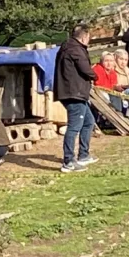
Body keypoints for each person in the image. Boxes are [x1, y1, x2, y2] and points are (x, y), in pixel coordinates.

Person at [54, 24, 98, 173]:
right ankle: (68, 161)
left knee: (89, 121)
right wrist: (95, 76)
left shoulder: (66, 47)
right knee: (74, 127)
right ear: (84, 36)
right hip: (74, 93)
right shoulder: (75, 50)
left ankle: (83, 155)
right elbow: (85, 68)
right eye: (89, 37)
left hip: (75, 93)